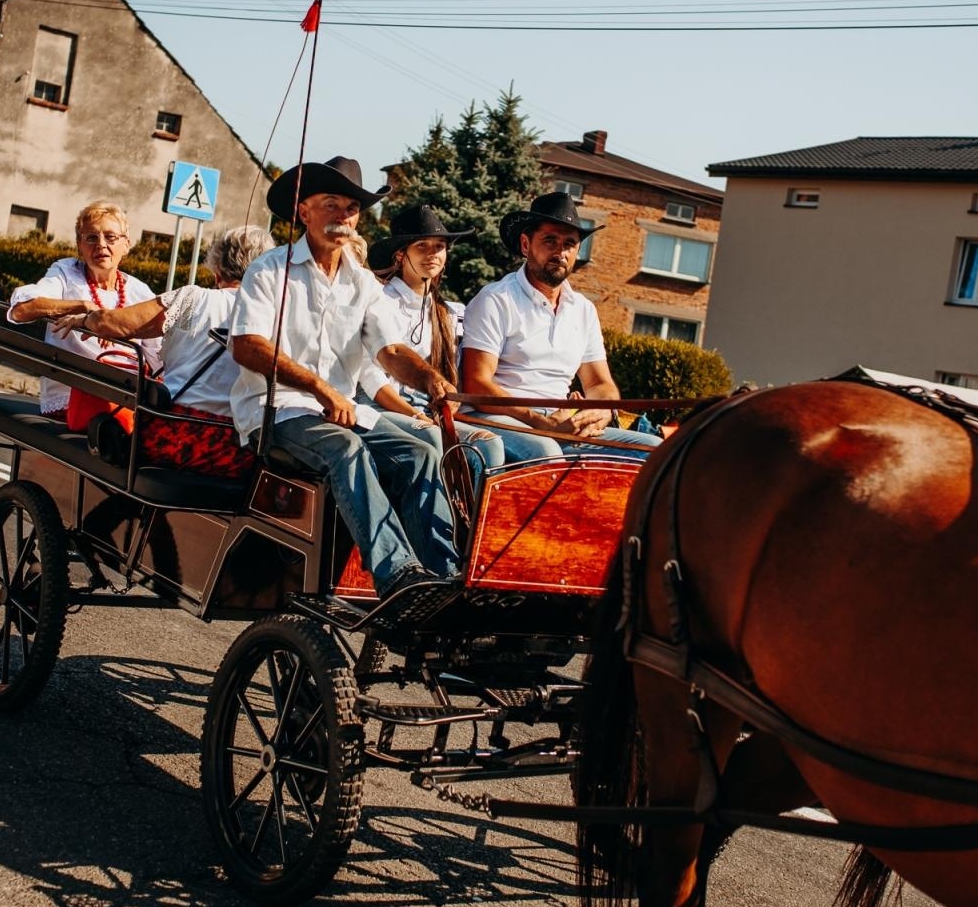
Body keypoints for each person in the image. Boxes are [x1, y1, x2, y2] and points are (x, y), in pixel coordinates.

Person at [229, 156, 460, 600]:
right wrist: (320, 388)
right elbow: (247, 346)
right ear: (304, 211)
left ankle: (442, 580)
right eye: (331, 204)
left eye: (351, 208)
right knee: (347, 449)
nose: (343, 216)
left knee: (421, 454)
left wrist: (431, 380)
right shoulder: (270, 270)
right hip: (277, 412)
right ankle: (397, 575)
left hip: (343, 412)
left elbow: (391, 351)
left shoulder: (364, 283)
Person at [40, 225, 274, 478]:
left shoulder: (194, 299)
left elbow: (116, 323)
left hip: (175, 436)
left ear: (217, 271)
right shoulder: (277, 318)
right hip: (238, 449)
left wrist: (86, 319)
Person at [461, 191, 657, 463]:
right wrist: (541, 422)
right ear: (526, 244)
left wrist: (601, 411)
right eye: (550, 241)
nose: (560, 252)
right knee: (546, 452)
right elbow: (476, 384)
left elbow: (599, 383)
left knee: (654, 450)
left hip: (561, 420)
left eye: (569, 244)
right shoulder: (496, 299)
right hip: (499, 417)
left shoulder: (583, 309)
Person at [364, 204, 505, 474]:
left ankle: (471, 503)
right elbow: (372, 379)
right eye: (422, 246)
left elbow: (454, 375)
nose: (432, 254)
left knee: (490, 445)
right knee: (434, 437)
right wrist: (417, 415)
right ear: (401, 255)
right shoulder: (380, 302)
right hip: (386, 407)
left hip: (432, 410)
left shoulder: (449, 313)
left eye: (439, 246)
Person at [8, 201, 161, 421]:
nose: (101, 245)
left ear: (126, 245)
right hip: (75, 401)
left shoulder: (139, 291)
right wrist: (84, 306)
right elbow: (21, 309)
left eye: (110, 237)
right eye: (91, 237)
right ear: (79, 245)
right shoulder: (66, 272)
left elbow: (157, 356)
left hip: (129, 400)